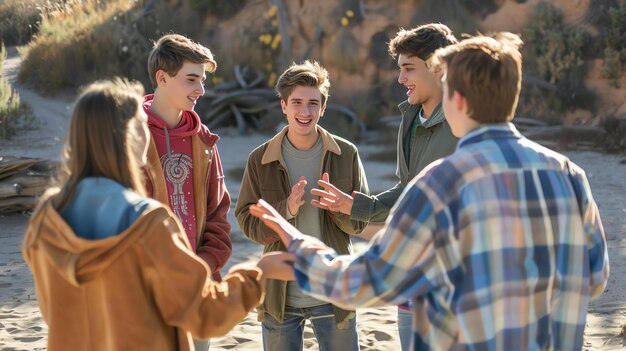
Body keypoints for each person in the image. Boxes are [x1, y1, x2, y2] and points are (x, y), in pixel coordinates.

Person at [249, 32, 610, 350]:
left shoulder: (439, 182)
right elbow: (594, 280)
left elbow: (370, 280)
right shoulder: (569, 174)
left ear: (460, 100)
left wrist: (299, 251)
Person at [21, 78, 295, 351]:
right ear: (128, 136)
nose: (147, 134)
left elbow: (53, 309)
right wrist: (259, 273)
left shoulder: (47, 216)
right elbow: (206, 314)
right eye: (142, 125)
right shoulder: (148, 222)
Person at [310, 23, 459, 349]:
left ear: (438, 66)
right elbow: (408, 187)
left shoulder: (464, 122)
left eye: (409, 68)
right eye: (400, 69)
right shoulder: (410, 119)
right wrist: (355, 205)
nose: (401, 78)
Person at [235, 60, 369, 351]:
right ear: (283, 106)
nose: (305, 112)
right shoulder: (260, 159)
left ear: (323, 107)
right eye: (296, 102)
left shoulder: (346, 153)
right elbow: (247, 223)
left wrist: (340, 207)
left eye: (313, 103)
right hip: (281, 297)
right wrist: (286, 210)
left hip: (334, 292)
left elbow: (361, 222)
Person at [143, 34, 232, 350]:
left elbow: (219, 215)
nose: (201, 90)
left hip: (196, 287)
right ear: (162, 78)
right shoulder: (128, 139)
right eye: (191, 79)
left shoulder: (204, 143)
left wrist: (204, 266)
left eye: (203, 80)